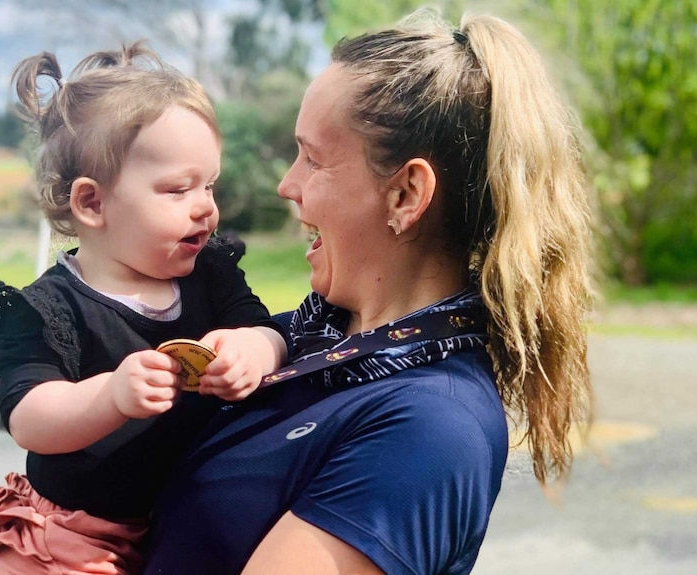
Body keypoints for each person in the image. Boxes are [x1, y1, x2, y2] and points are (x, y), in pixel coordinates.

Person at [141, 7, 592, 575]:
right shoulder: (309, 339)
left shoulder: (431, 430)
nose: (287, 184)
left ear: (406, 194)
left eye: (313, 158)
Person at [0, 43, 286, 575]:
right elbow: (30, 418)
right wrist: (111, 395)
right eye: (178, 189)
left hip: (186, 516)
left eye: (209, 185)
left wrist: (256, 348)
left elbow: (269, 328)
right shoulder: (46, 308)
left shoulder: (211, 273)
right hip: (74, 533)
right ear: (92, 203)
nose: (206, 205)